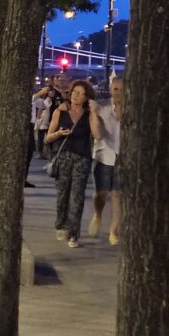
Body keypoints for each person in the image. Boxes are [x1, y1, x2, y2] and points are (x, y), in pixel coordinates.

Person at [45, 80, 100, 248]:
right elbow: (48, 137)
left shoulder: (88, 114)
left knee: (77, 197)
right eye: (75, 92)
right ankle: (60, 224)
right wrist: (59, 133)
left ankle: (73, 234)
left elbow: (97, 134)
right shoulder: (60, 111)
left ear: (87, 97)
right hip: (63, 157)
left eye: (81, 94)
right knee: (63, 195)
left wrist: (95, 113)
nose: (76, 96)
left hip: (81, 158)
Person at [90, 77, 123, 245]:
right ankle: (98, 213)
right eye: (115, 89)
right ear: (110, 89)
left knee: (118, 195)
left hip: (123, 156)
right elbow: (98, 135)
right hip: (104, 154)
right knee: (101, 194)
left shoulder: (132, 109)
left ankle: (113, 231)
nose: (118, 93)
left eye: (121, 89)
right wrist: (95, 115)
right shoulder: (101, 107)